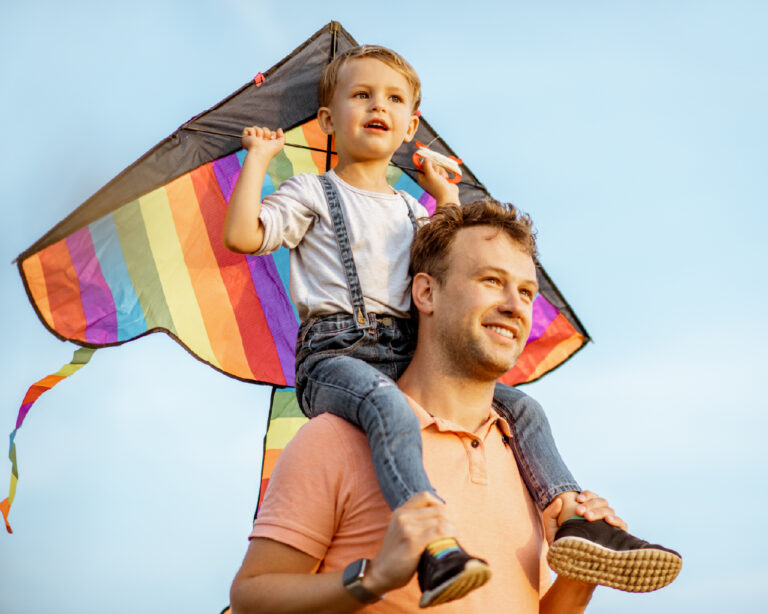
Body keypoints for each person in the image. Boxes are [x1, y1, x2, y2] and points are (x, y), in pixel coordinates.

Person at [223, 45, 680, 607]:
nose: (515, 302)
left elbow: (443, 248)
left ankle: (575, 526)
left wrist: (581, 574)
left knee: (527, 406)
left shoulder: (519, 456)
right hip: (338, 352)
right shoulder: (334, 443)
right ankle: (434, 541)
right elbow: (252, 599)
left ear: (411, 123)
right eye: (491, 282)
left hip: (397, 348)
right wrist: (260, 161)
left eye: (526, 291)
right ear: (425, 293)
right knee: (387, 407)